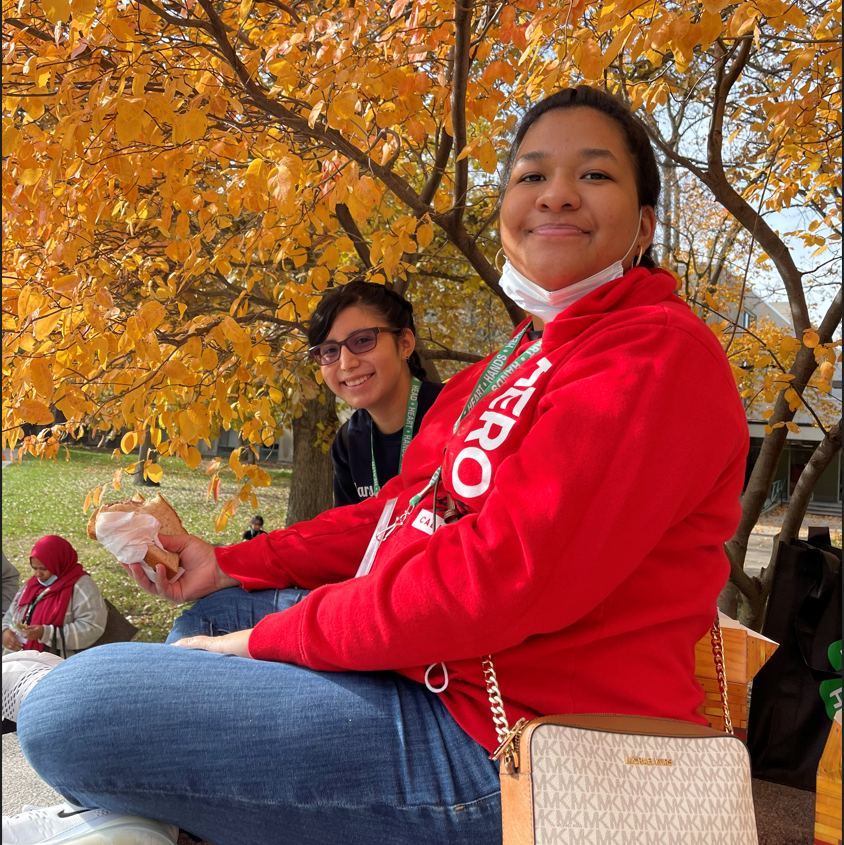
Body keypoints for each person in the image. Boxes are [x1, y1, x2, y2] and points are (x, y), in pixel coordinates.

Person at [8, 86, 748, 845]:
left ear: (646, 223)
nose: (556, 193)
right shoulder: (510, 360)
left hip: (516, 744)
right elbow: (391, 514)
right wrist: (228, 563)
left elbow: (490, 581)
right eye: (530, 176)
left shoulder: (654, 354)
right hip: (429, 669)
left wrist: (275, 637)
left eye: (594, 176)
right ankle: (159, 814)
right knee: (208, 617)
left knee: (69, 710)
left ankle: (153, 815)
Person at [308, 280, 444, 506]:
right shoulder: (347, 443)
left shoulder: (459, 413)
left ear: (405, 344)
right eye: (330, 350)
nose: (346, 363)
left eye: (362, 340)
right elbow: (350, 532)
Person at [1, 536, 107, 658]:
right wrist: (5, 631)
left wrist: (46, 633)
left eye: (44, 569)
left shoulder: (80, 586)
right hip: (24, 659)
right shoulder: (32, 586)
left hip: (61, 662)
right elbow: (12, 613)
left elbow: (92, 628)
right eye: (34, 568)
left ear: (59, 563)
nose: (38, 574)